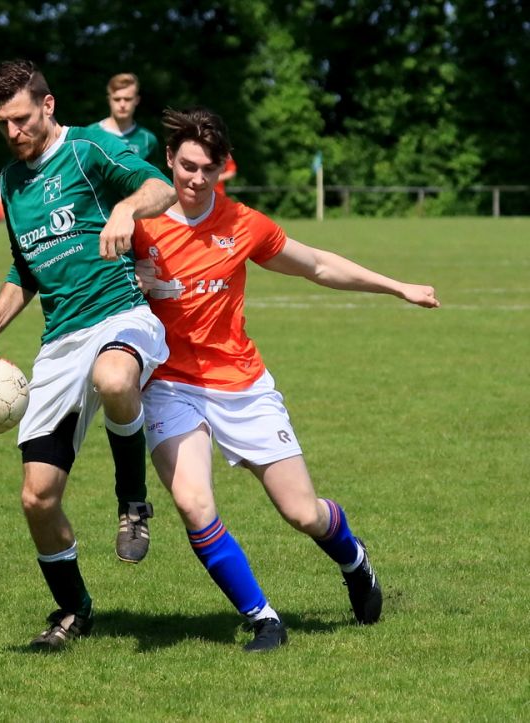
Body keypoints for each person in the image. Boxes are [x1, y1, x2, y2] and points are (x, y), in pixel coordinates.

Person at [133, 107, 439, 651]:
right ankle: (263, 618)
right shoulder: (140, 225)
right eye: (186, 167)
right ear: (168, 162)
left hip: (242, 384)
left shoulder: (243, 224)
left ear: (223, 168)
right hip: (170, 386)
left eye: (207, 168)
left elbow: (317, 265)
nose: (195, 179)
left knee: (303, 512)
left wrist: (398, 287)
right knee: (192, 503)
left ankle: (354, 558)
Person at [0, 59, 176, 651]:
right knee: (37, 497)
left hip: (120, 314)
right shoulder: (12, 182)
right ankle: (73, 608)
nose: (13, 132)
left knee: (115, 378)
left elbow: (159, 189)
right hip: (59, 342)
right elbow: (25, 267)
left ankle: (132, 502)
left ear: (48, 105)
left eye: (20, 118)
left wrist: (123, 209)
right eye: (2, 123)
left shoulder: (88, 150)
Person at [92, 73, 160, 164]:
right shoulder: (90, 133)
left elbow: (153, 176)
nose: (122, 105)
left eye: (127, 99)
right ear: (109, 100)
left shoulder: (148, 140)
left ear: (137, 100)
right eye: (117, 99)